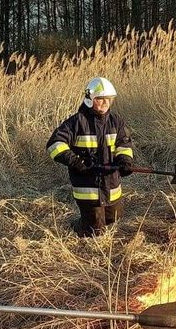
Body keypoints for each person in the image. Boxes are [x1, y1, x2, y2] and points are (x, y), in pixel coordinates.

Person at [46, 77, 135, 237]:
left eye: (109, 99)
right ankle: (78, 225)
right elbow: (54, 145)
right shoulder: (76, 122)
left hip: (112, 185)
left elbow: (124, 144)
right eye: (100, 99)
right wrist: (77, 162)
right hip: (88, 187)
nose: (105, 103)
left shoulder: (117, 121)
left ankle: (90, 221)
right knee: (95, 231)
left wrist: (125, 160)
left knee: (114, 218)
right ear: (89, 99)